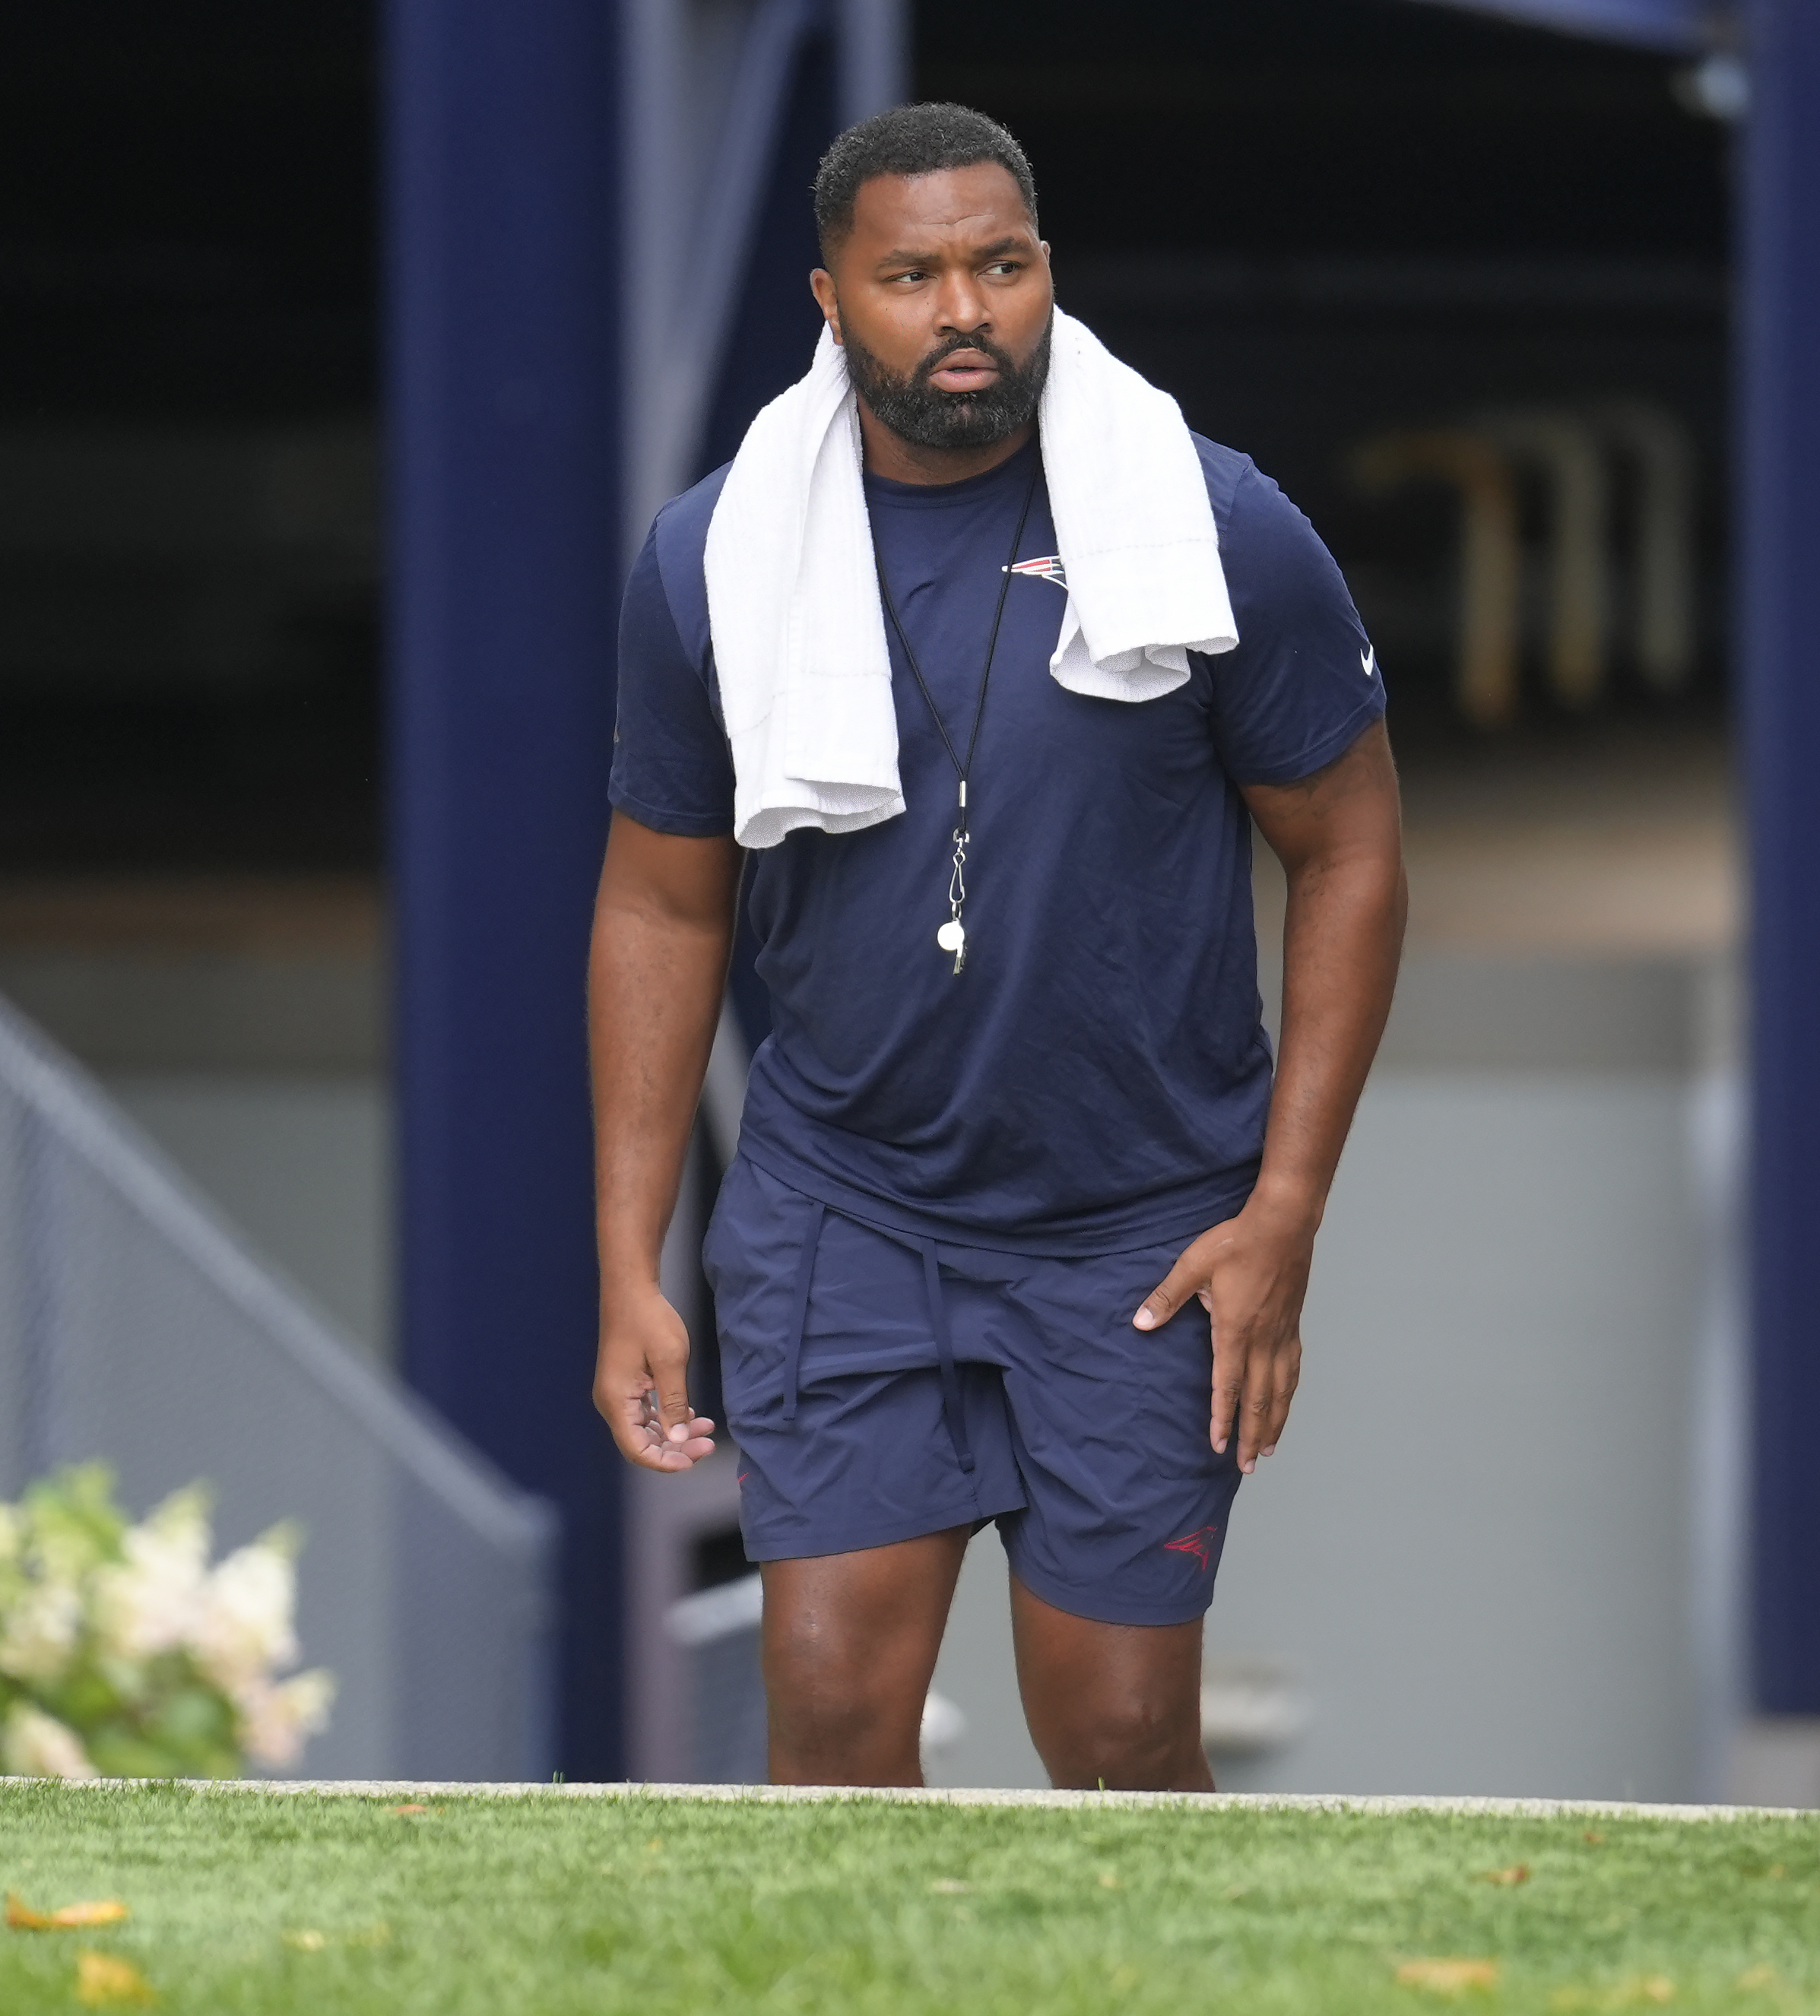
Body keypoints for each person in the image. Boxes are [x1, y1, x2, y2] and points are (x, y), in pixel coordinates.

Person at [590, 102, 1405, 1791]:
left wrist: (1288, 1213)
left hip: (1136, 1229)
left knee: (1116, 1742)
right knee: (821, 1711)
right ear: (831, 300)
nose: (965, 308)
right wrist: (629, 1260)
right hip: (846, 1206)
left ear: (1047, 275)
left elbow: (1352, 854)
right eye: (911, 274)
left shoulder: (1217, 526)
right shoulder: (713, 562)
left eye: (1002, 264)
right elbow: (661, 902)